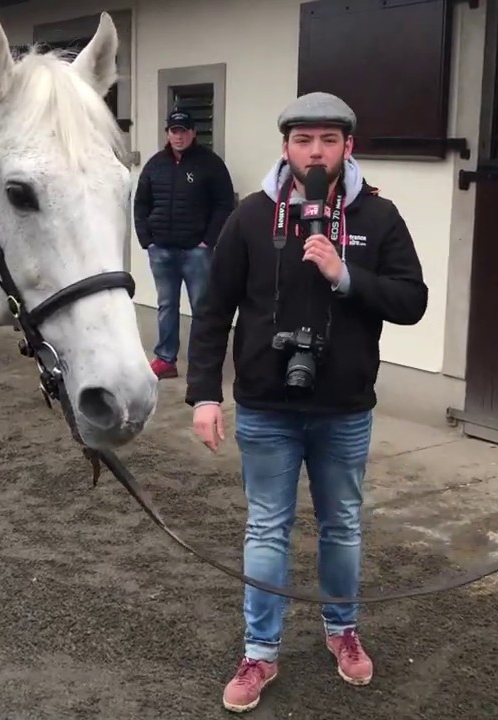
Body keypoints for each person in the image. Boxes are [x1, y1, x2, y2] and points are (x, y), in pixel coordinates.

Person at [185, 91, 428, 713]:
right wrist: (206, 395)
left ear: (349, 145)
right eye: (302, 140)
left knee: (341, 524)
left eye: (327, 140)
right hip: (267, 403)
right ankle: (260, 652)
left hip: (344, 405)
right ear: (285, 147)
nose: (314, 153)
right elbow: (212, 313)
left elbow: (412, 301)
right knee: (267, 524)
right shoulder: (249, 216)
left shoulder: (379, 217)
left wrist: (346, 276)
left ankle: (342, 630)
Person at [134, 108, 236, 379]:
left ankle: (200, 363)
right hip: (162, 250)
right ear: (168, 133)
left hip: (196, 252)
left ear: (193, 133)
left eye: (183, 131)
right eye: (173, 131)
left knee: (202, 307)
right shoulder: (155, 164)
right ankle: (166, 360)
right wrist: (147, 240)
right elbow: (141, 203)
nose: (178, 137)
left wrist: (208, 241)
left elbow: (225, 204)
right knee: (166, 305)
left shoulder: (210, 164)